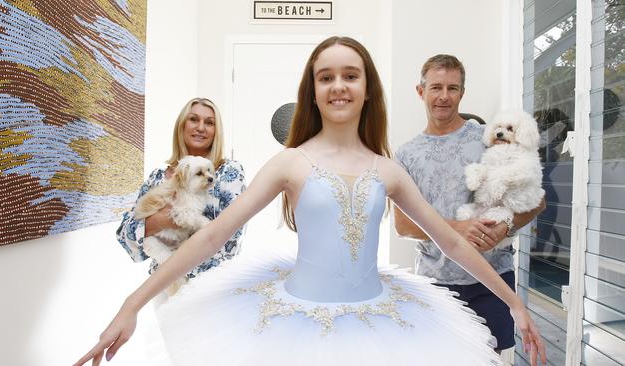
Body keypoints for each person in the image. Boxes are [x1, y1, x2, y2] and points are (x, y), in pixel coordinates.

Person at [75, 37, 546, 366]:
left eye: (350, 75)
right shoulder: (290, 163)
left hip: (378, 326)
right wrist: (132, 304)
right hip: (293, 327)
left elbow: (454, 244)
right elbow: (215, 233)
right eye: (326, 77)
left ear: (366, 89)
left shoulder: (388, 169)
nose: (338, 85)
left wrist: (516, 305)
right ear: (314, 91)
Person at [393, 54, 546, 353]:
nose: (444, 96)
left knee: (488, 359)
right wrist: (458, 228)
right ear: (420, 91)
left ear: (462, 93)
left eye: (453, 88)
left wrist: (507, 226)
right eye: (436, 87)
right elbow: (402, 226)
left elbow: (537, 200)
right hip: (435, 282)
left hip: (492, 280)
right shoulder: (406, 154)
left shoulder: (493, 136)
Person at [116, 97, 246, 281]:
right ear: (181, 126)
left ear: (216, 131)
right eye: (193, 119)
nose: (200, 127)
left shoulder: (228, 172)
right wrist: (164, 220)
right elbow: (125, 235)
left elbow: (231, 237)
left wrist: (166, 222)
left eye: (209, 123)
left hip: (211, 284)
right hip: (162, 283)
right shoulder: (157, 177)